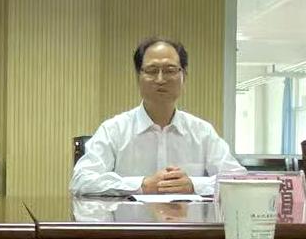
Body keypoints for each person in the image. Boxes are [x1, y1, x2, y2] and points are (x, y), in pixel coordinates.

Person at [70, 37, 244, 196]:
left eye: (170, 70)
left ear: (183, 76)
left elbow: (239, 180)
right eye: (152, 70)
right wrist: (142, 185)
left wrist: (194, 184)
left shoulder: (202, 132)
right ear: (138, 77)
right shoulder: (113, 130)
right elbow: (81, 181)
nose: (160, 79)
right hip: (128, 221)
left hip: (188, 221)